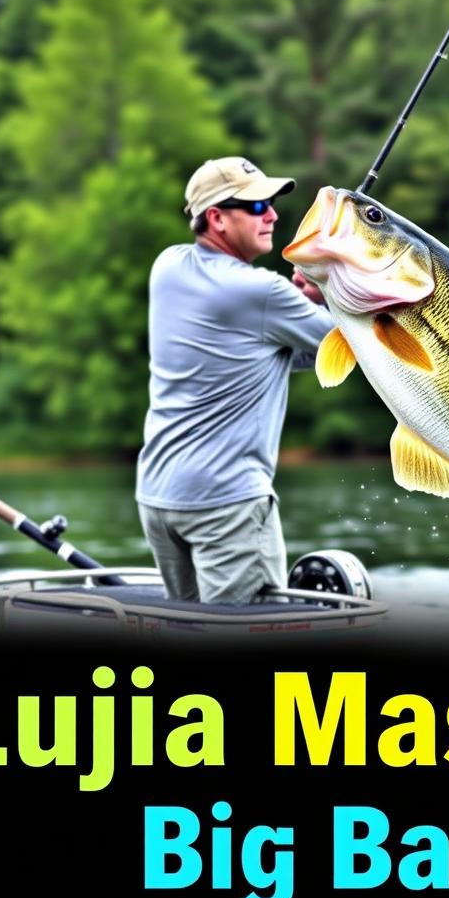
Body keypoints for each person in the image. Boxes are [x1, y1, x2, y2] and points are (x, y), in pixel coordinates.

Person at [135, 156, 332, 604]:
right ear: (216, 218)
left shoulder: (167, 267)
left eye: (271, 203)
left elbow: (270, 354)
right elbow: (350, 346)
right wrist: (328, 291)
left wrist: (302, 306)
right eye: (258, 206)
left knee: (189, 632)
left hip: (159, 498)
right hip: (225, 505)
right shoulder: (263, 292)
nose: (273, 215)